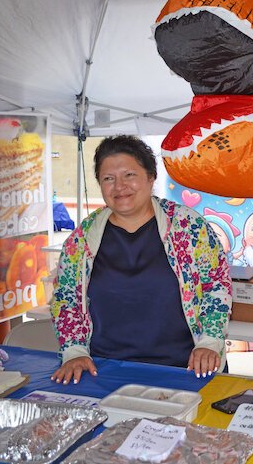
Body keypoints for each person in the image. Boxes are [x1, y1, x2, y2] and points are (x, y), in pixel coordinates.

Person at [50, 135, 231, 384]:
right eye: (108, 179)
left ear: (150, 177)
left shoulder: (187, 226)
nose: (119, 186)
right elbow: (66, 297)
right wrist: (74, 351)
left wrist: (210, 343)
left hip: (184, 367)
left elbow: (216, 284)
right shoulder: (83, 238)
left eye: (129, 175)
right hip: (106, 370)